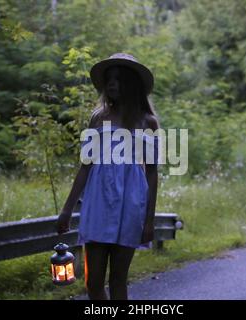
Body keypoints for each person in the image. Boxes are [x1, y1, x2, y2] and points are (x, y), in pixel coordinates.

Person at [56, 52, 160, 300]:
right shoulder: (98, 118)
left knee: (118, 281)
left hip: (131, 203)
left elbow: (153, 173)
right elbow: (85, 166)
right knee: (93, 283)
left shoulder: (148, 122)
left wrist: (149, 220)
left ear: (131, 84)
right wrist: (67, 210)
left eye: (118, 79)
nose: (111, 84)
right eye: (109, 80)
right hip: (99, 201)